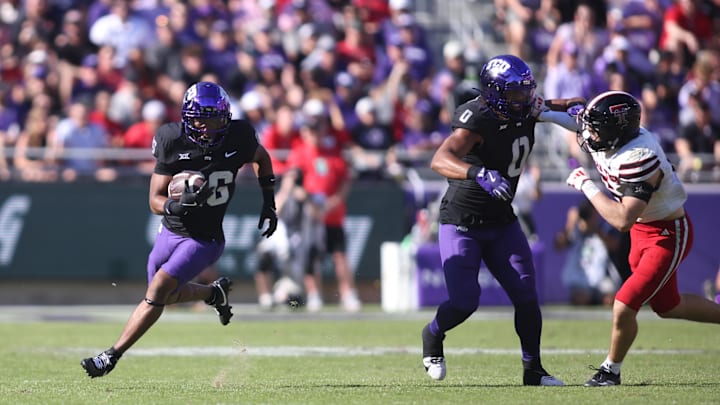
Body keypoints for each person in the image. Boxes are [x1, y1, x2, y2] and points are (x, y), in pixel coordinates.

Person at [80, 81, 278, 378]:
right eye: (200, 117)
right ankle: (213, 293)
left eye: (214, 117)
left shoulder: (239, 135)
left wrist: (269, 202)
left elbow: (261, 157)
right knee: (162, 296)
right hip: (171, 229)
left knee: (159, 289)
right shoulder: (171, 139)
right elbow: (154, 200)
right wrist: (178, 205)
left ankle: (111, 355)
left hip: (205, 238)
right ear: (187, 116)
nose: (207, 125)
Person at [420, 54, 581, 385]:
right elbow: (440, 159)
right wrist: (478, 172)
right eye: (515, 93)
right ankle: (433, 335)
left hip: (502, 220)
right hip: (462, 220)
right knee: (465, 302)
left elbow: (557, 104)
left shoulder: (525, 107)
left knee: (525, 294)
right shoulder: (476, 117)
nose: (523, 99)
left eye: (525, 92)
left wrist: (579, 106)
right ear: (494, 92)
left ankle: (533, 370)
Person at [544, 90, 720, 387]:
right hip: (643, 231)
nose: (588, 134)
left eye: (596, 129)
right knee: (669, 307)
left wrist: (586, 185)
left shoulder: (640, 156)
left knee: (624, 303)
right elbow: (574, 119)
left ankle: (610, 371)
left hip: (666, 234)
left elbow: (622, 219)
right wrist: (539, 111)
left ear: (616, 132)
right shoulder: (610, 133)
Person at [554, 199, 621, 306]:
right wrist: (570, 224)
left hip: (602, 278)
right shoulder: (573, 232)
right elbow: (558, 246)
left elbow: (615, 246)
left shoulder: (605, 227)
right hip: (580, 280)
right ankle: (591, 299)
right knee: (580, 298)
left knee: (611, 300)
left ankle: (597, 299)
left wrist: (594, 228)